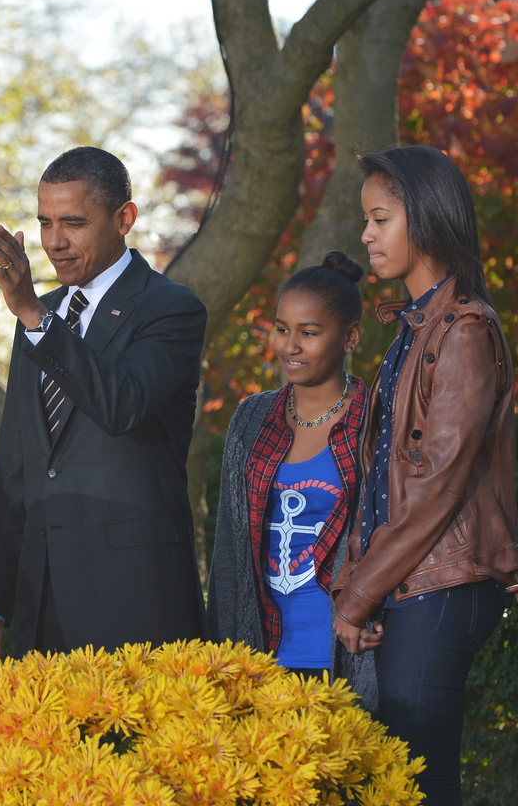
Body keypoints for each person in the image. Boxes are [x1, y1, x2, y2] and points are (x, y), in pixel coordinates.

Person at [331, 145, 518, 805]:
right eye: (367, 219)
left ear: (428, 218)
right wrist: (357, 585)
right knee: (395, 780)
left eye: (380, 219)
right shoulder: (413, 330)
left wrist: (361, 594)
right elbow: (381, 480)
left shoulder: (465, 331)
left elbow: (436, 485)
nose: (365, 234)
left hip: (444, 583)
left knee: (418, 783)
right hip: (411, 582)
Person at [0, 146, 207, 659]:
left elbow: (122, 403)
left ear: (125, 219)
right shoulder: (41, 315)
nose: (54, 242)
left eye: (73, 223)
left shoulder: (171, 308)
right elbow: (16, 463)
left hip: (134, 601)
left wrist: (34, 316)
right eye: (45, 223)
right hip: (38, 602)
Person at [208, 252, 377, 699]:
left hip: (344, 650)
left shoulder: (377, 423)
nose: (290, 346)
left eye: (309, 332)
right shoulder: (251, 418)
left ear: (350, 337)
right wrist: (222, 652)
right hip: (260, 653)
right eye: (282, 329)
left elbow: (394, 532)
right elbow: (230, 546)